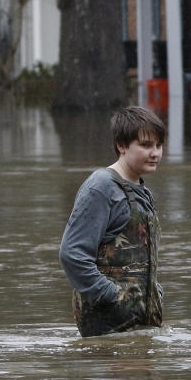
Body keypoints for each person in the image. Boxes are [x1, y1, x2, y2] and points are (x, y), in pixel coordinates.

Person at [59, 106, 167, 337]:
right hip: (107, 324)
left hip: (141, 321)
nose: (155, 153)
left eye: (159, 145)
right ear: (121, 145)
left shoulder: (141, 189)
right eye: (146, 145)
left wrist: (154, 292)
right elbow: (72, 253)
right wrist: (111, 295)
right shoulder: (101, 187)